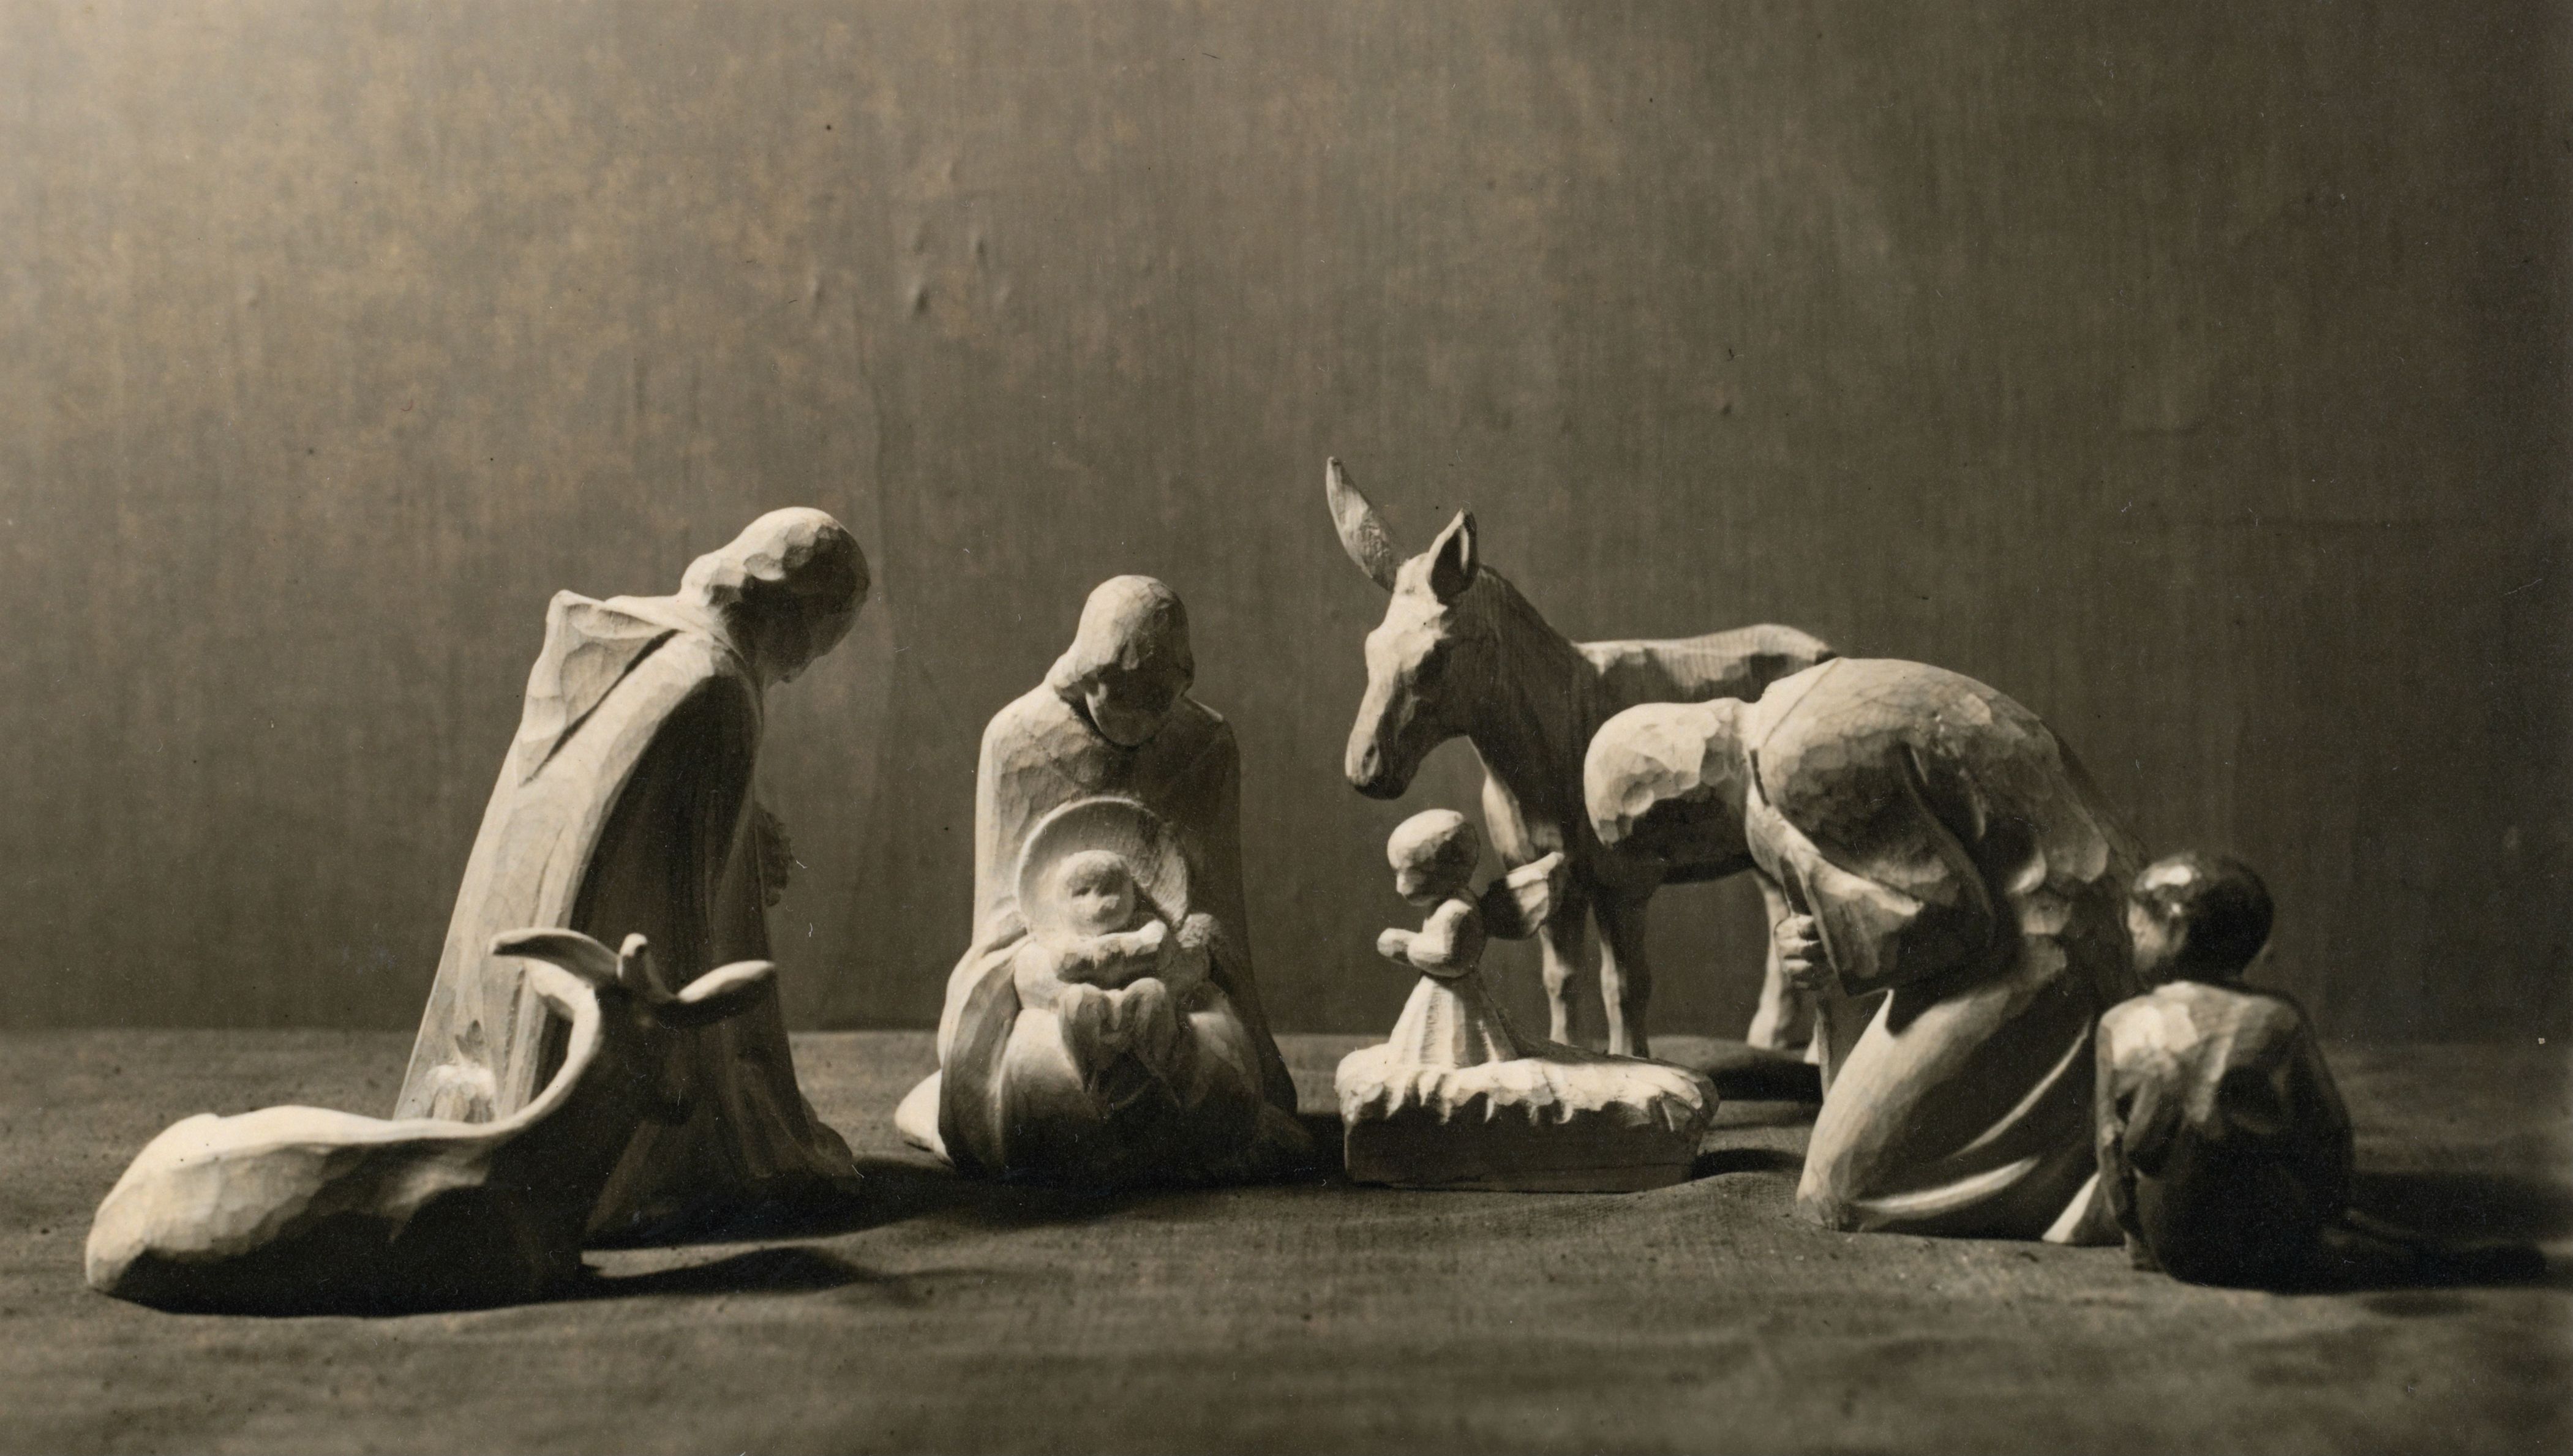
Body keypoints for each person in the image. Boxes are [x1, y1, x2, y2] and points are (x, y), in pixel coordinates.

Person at [396, 508, 866, 1237]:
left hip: (503, 1031)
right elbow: (693, 930)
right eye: (818, 642)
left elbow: (622, 816)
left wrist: (745, 832)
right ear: (795, 614)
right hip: (593, 1069)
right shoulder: (717, 685)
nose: (802, 667)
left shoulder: (638, 638)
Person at [1585, 658, 2140, 1242]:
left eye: (1671, 856)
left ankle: (2103, 1189)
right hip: (2025, 935)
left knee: (1841, 1191)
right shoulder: (1783, 731)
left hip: (2057, 948)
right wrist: (1825, 941)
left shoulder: (1798, 759)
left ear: (1683, 826)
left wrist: (1831, 945)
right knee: (1843, 1162)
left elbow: (1953, 918)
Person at [896, 577, 1307, 1187]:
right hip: (1048, 975)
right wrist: (1048, 960)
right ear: (1083, 672)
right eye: (1120, 691)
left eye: (1159, 698)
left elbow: (1218, 911)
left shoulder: (1206, 745)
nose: (1139, 717)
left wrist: (1186, 955)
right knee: (1039, 1088)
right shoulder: (1017, 739)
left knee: (1221, 1076)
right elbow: (1001, 921)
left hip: (1171, 979)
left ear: (1184, 683)